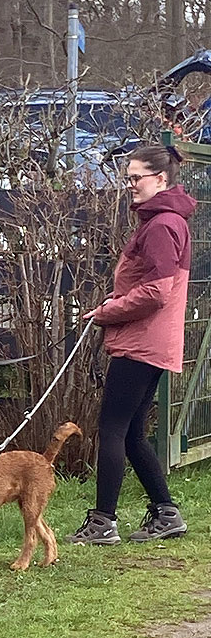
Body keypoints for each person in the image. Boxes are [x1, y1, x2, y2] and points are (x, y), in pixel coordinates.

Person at [67, 144, 196, 545]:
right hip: (152, 340)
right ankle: (166, 513)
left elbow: (157, 292)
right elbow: (150, 285)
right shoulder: (165, 221)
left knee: (112, 429)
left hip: (142, 342)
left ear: (161, 178)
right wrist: (115, 302)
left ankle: (103, 522)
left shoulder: (161, 225)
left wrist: (109, 311)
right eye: (128, 178)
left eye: (136, 177)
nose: (130, 185)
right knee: (133, 433)